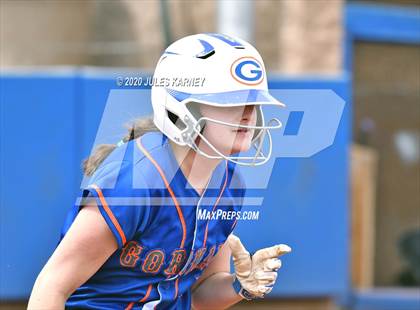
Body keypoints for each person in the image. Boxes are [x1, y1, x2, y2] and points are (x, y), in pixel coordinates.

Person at [28, 33, 291, 310]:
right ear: (181, 108)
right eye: (232, 101)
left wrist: (240, 286)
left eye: (254, 102)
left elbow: (198, 298)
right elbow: (51, 285)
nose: (249, 113)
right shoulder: (136, 182)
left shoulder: (230, 183)